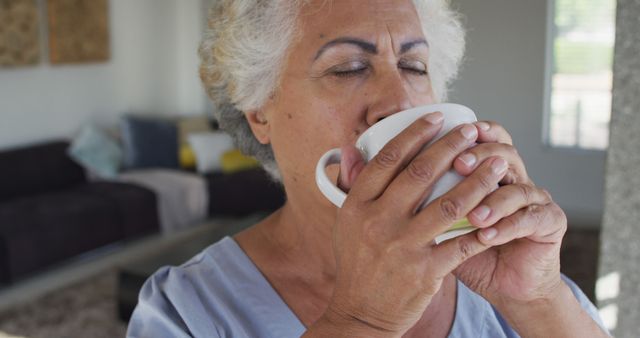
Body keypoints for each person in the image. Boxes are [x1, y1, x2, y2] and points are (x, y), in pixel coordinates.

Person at [127, 0, 610, 337]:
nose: (398, 101)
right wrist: (363, 323)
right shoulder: (187, 311)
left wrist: (539, 301)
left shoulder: (510, 279)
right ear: (259, 111)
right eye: (348, 68)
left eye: (415, 66)